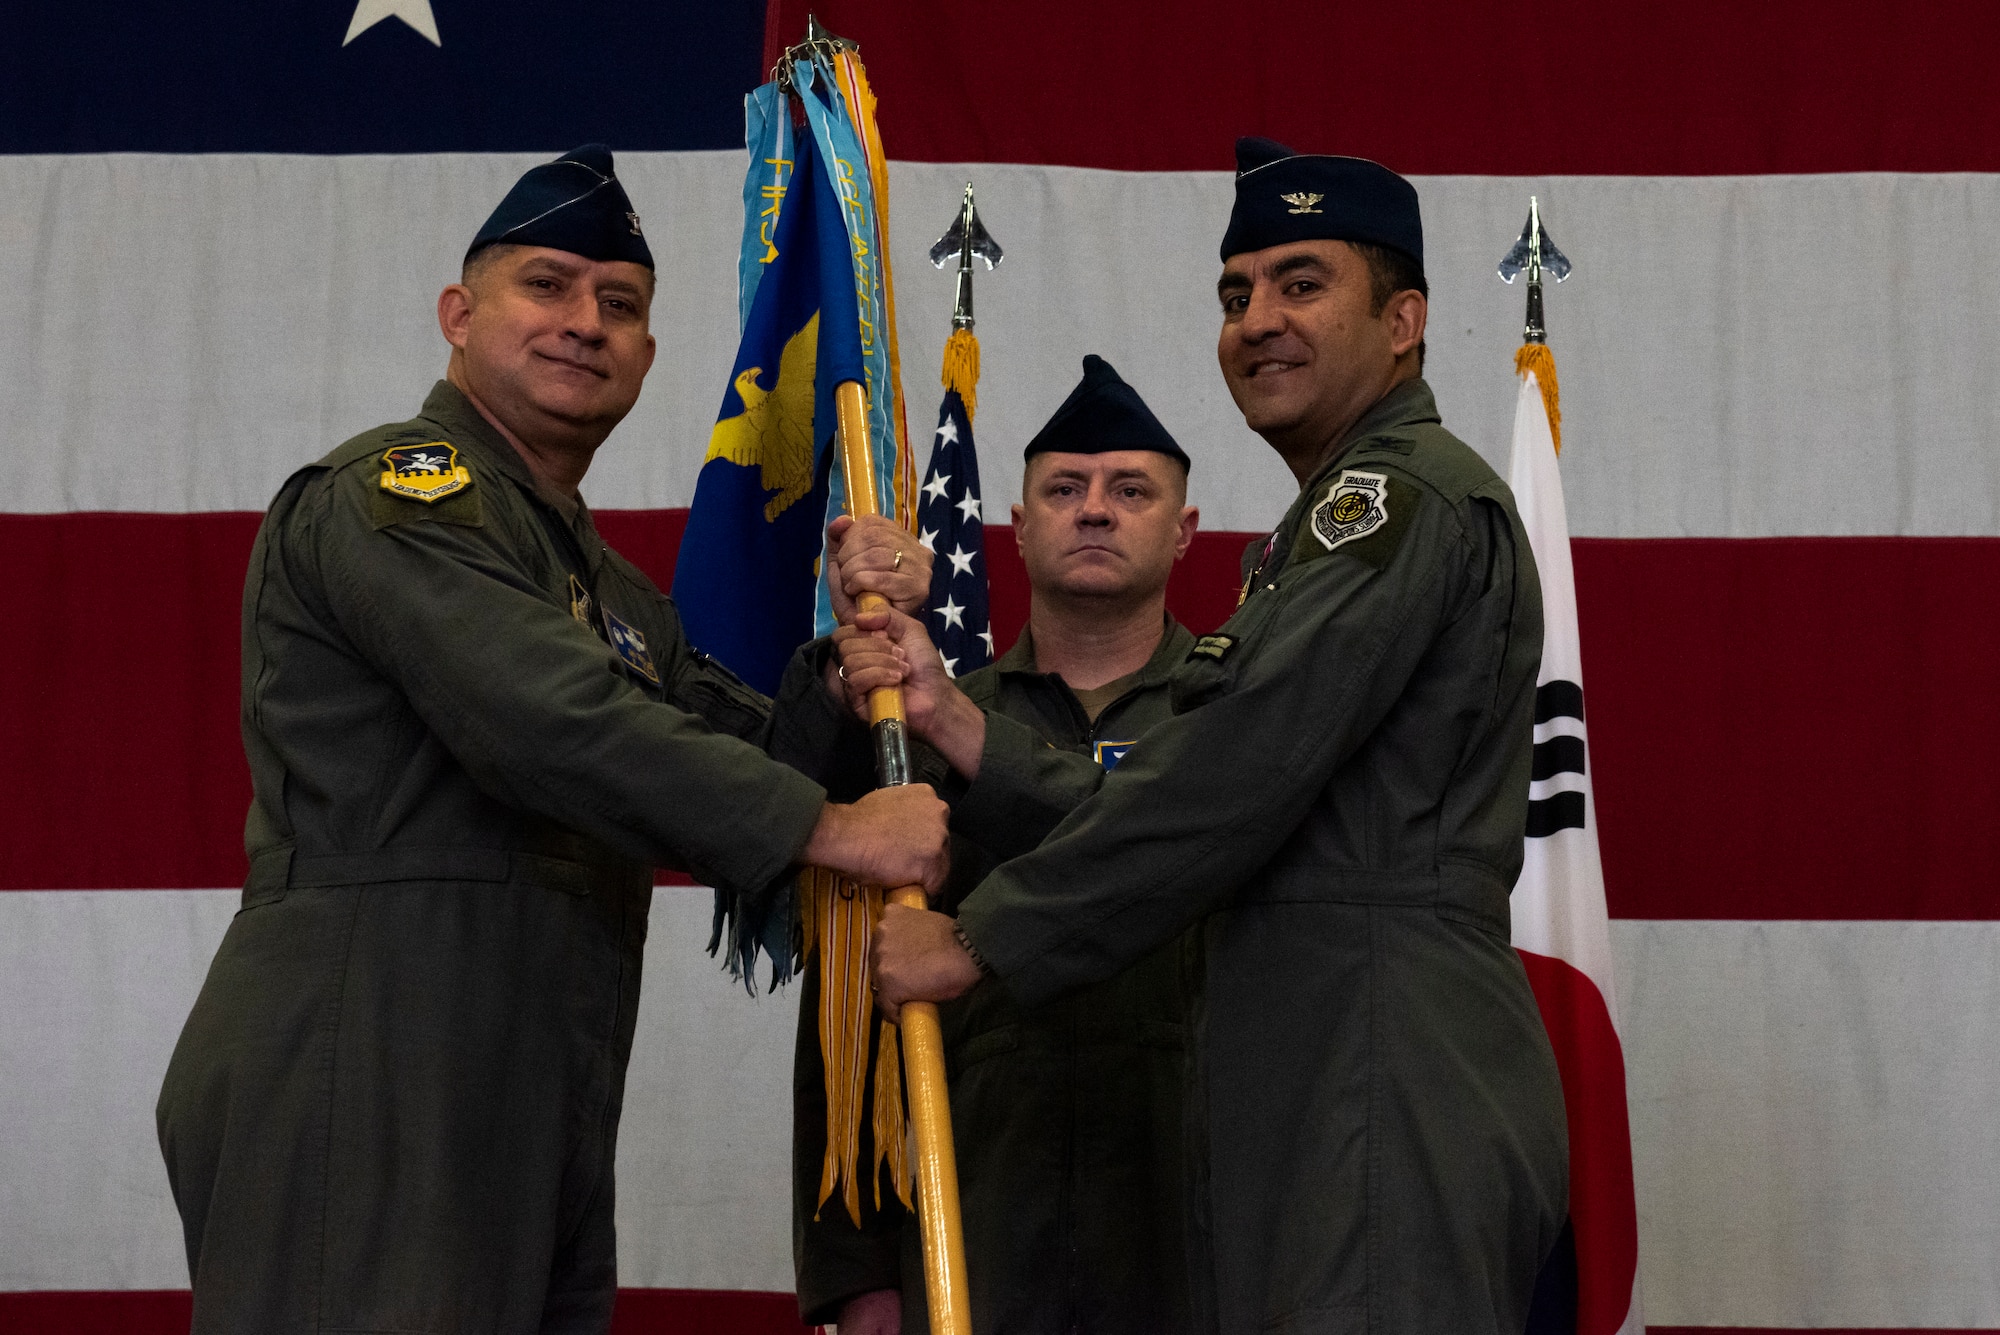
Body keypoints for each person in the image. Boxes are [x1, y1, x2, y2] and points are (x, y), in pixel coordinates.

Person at [154, 144, 948, 1335]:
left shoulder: (610, 591)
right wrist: (835, 832)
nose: (584, 323)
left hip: (526, 1083)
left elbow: (732, 743)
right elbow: (551, 723)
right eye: (547, 285)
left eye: (618, 306)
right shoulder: (392, 497)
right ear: (458, 316)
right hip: (366, 1062)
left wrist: (851, 676)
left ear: (646, 357)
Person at [862, 138, 1569, 1334]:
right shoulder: (1331, 521)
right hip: (1315, 1065)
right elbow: (1207, 787)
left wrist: (980, 942)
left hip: (1374, 1059)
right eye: (1235, 293)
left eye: (1301, 283)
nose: (1256, 320)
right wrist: (960, 728)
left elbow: (1233, 774)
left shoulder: (1393, 500)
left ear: (1403, 321)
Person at [798, 356, 1202, 1335]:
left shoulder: (1233, 725)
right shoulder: (915, 728)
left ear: (1184, 531)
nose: (1094, 510)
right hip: (972, 1223)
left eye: (1129, 490)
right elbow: (851, 1004)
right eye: (1064, 489)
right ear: (1016, 527)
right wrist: (856, 1274)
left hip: (1197, 1230)